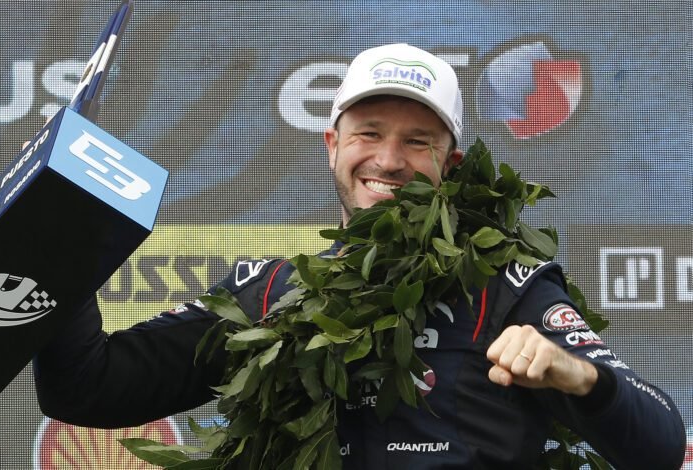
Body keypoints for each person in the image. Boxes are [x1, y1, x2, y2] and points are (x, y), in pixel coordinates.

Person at [34, 43, 686, 469]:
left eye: (417, 141)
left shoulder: (508, 288)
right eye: (369, 133)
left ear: (450, 164)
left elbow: (659, 447)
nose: (388, 159)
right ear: (332, 144)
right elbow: (86, 388)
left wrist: (580, 378)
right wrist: (55, 249)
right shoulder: (268, 295)